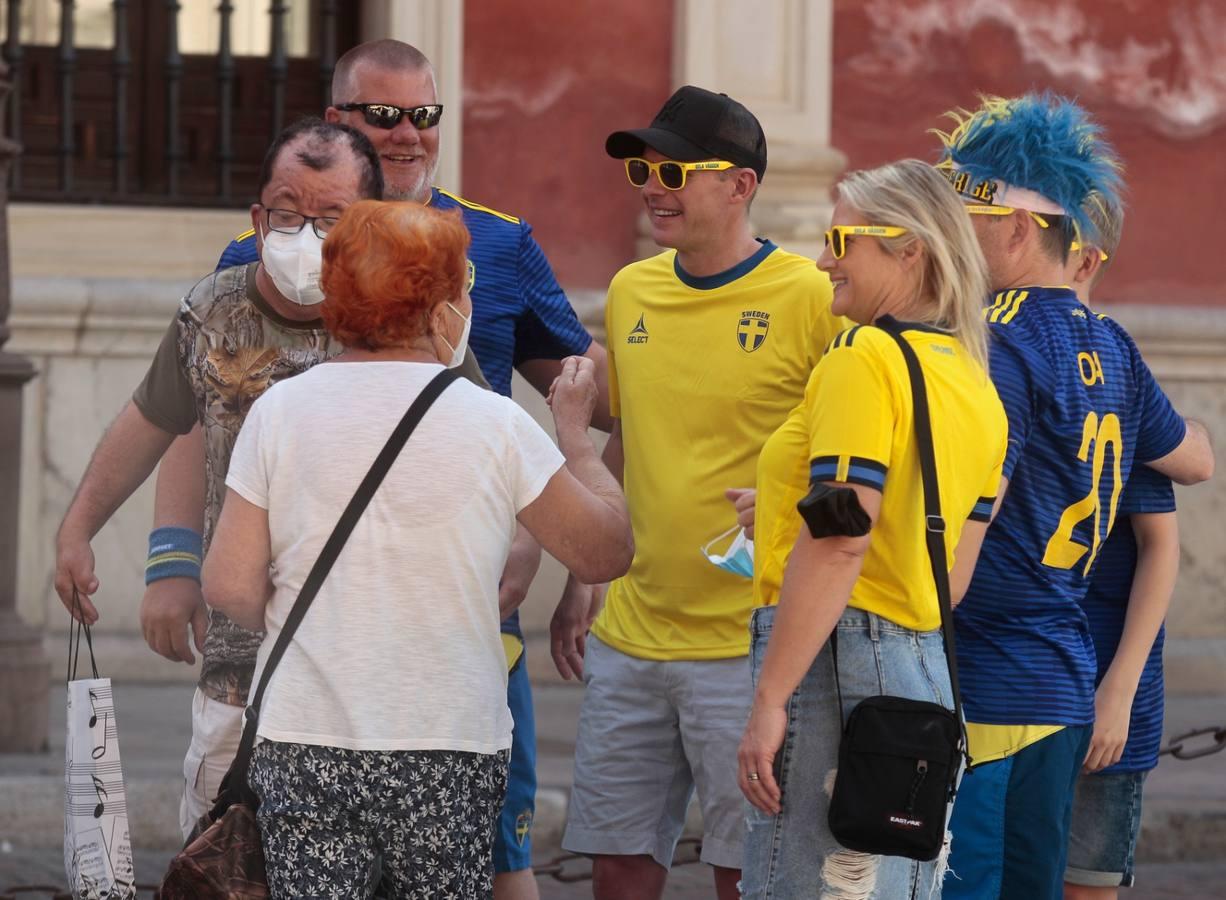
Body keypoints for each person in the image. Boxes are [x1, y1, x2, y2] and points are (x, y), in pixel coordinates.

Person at [142, 40, 607, 895]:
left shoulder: (500, 245)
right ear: (336, 119)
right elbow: (184, 415)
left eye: (423, 115)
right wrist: (170, 558)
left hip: (468, 639)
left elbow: (587, 390)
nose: (406, 135)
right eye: (382, 115)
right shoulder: (258, 253)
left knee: (507, 860)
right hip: (307, 673)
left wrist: (561, 517)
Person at [204, 199, 633, 898]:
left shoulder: (278, 411)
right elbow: (604, 553)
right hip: (447, 743)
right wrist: (578, 439)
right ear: (439, 310)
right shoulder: (495, 424)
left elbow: (227, 585)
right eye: (463, 287)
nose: (467, 299)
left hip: (306, 735)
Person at [553, 85, 845, 900]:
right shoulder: (632, 290)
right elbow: (629, 443)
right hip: (632, 635)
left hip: (748, 646)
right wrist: (584, 579)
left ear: (740, 184)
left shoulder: (812, 296)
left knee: (742, 872)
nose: (652, 184)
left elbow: (855, 449)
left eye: (674, 168)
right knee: (616, 869)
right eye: (643, 168)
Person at [934, 94, 1215, 900]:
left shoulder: (992, 343)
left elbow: (980, 507)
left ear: (1019, 233)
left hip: (991, 669)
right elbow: (1189, 457)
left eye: (968, 220)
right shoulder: (1117, 350)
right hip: (1060, 673)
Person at [735, 159, 1007, 898]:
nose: (823, 260)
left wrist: (768, 702)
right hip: (922, 671)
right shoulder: (976, 384)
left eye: (841, 240)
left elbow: (845, 533)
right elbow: (948, 574)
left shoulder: (864, 357)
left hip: (835, 665)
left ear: (908, 248)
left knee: (798, 882)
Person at [1062, 196, 1183, 899]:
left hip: (1107, 676)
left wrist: (1119, 690)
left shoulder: (1114, 363)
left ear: (1084, 261)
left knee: (1085, 883)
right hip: (1015, 679)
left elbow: (1160, 544)